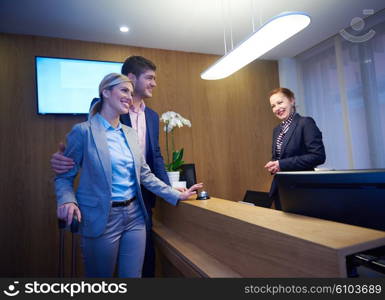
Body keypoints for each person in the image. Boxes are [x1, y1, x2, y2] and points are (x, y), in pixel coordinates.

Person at [56, 73, 203, 278]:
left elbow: (145, 175)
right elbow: (64, 176)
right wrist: (67, 200)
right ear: (105, 92)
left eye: (131, 93)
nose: (129, 96)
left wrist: (174, 193)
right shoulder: (83, 132)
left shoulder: (130, 133)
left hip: (135, 216)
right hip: (102, 218)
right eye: (124, 90)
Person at [264, 87, 326, 210]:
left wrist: (281, 164)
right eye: (273, 106)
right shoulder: (277, 130)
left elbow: (318, 156)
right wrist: (273, 165)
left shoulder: (305, 123)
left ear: (292, 101)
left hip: (302, 191)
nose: (277, 108)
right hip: (281, 189)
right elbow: (279, 157)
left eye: (280, 102)